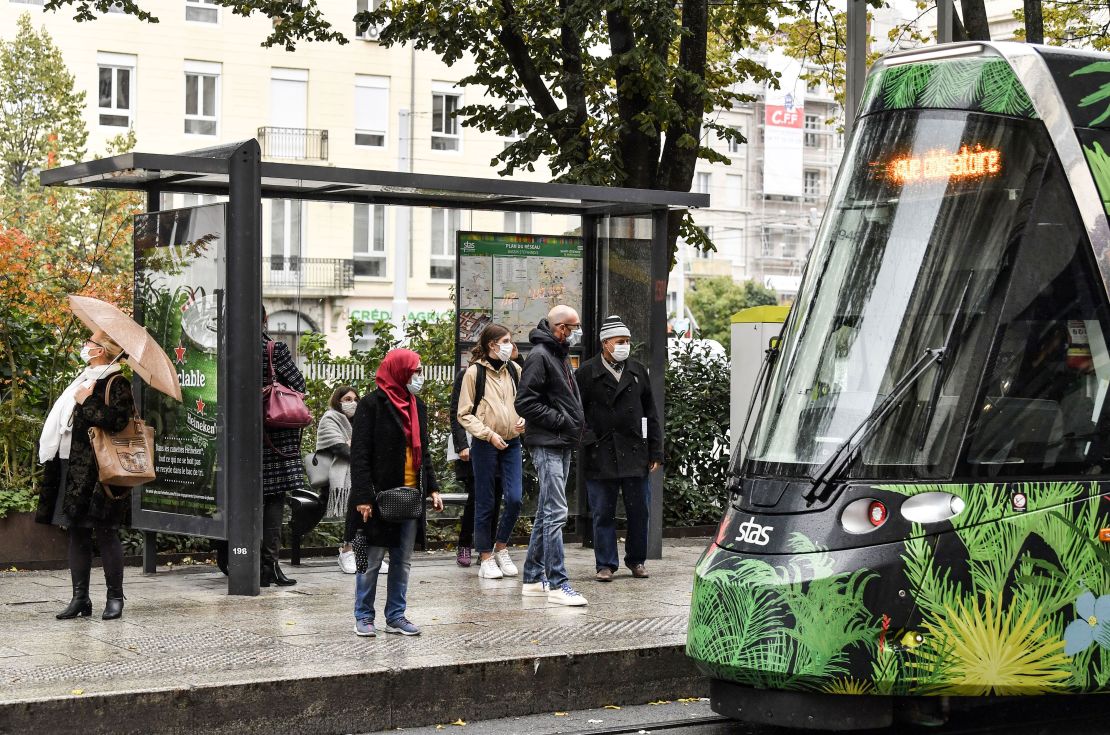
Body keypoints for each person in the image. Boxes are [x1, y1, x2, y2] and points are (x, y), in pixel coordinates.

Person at [36, 331, 134, 620]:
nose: (84, 346)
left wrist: (86, 402)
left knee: (107, 532)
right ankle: (80, 598)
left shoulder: (117, 382)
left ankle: (115, 598)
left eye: (89, 343)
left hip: (100, 470)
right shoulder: (84, 377)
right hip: (73, 467)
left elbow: (117, 421)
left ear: (102, 350)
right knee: (76, 531)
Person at [349, 348, 444, 637]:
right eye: (415, 371)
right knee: (370, 560)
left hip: (409, 497)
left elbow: (422, 451)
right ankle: (363, 616)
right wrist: (364, 497)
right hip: (378, 498)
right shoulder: (372, 404)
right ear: (400, 371)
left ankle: (396, 616)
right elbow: (360, 454)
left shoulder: (417, 406)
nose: (419, 376)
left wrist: (433, 487)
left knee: (402, 561)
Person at [575, 315, 663, 581]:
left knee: (640, 511)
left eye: (627, 341)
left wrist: (655, 450)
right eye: (620, 341)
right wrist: (588, 440)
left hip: (635, 452)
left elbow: (651, 413)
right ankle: (605, 564)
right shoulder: (586, 372)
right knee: (603, 512)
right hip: (599, 453)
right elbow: (576, 413)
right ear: (605, 343)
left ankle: (636, 560)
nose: (625, 345)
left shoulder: (637, 371)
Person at [514, 305, 588, 606]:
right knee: (557, 512)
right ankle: (558, 584)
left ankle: (533, 578)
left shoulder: (556, 353)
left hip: (560, 441)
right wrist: (562, 421)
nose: (576, 332)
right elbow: (524, 403)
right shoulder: (541, 356)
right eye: (573, 327)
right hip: (548, 441)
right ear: (559, 327)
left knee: (548, 511)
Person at [457, 324, 525, 580]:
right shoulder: (474, 373)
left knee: (516, 498)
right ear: (492, 345)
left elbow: (524, 403)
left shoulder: (515, 370)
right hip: (486, 444)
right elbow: (464, 414)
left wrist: (524, 420)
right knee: (485, 501)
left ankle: (501, 546)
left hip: (512, 443)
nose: (511, 345)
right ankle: (485, 556)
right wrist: (488, 434)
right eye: (506, 340)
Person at [261, 309, 305, 587]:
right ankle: (269, 566)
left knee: (247, 500)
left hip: (242, 436)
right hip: (274, 436)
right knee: (274, 501)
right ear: (264, 320)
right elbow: (299, 384)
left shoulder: (225, 348)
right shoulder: (273, 348)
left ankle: (244, 559)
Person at [449, 367, 500, 568]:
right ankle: (465, 543)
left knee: (497, 495)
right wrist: (462, 444)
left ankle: (487, 547)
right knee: (477, 496)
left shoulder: (506, 372)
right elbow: (457, 411)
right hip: (473, 443)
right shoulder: (469, 373)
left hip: (500, 442)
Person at [316, 385, 359, 574]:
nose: (353, 403)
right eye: (347, 399)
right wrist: (354, 445)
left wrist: (353, 443)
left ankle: (365, 553)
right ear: (337, 401)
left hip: (358, 475)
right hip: (334, 482)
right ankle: (347, 550)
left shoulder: (360, 421)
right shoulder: (330, 419)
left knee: (367, 496)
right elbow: (343, 451)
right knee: (357, 498)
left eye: (355, 399)